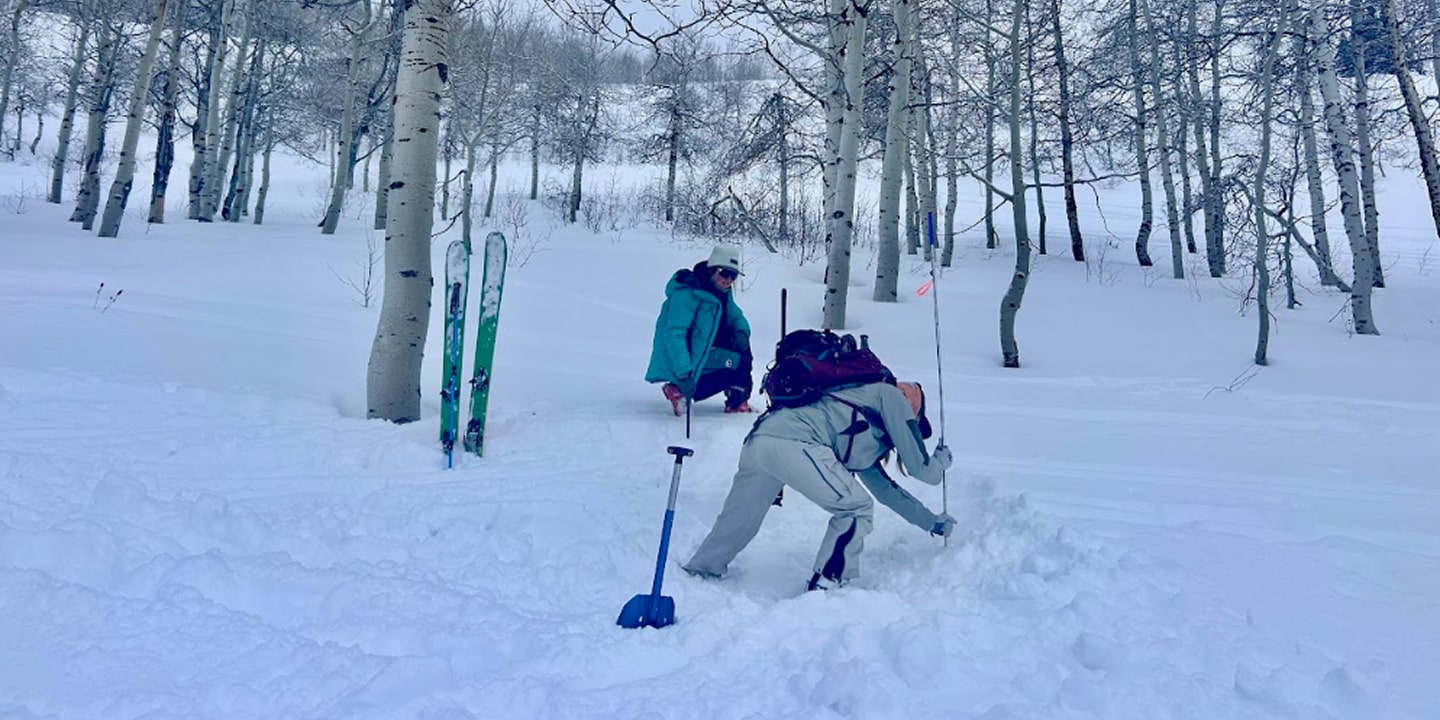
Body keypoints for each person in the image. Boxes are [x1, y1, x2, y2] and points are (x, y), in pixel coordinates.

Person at [683, 380, 955, 591]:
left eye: (911, 393)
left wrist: (930, 522)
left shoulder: (862, 421)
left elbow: (888, 492)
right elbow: (923, 470)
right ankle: (828, 581)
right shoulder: (888, 395)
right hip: (794, 441)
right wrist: (940, 463)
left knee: (741, 516)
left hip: (761, 436)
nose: (905, 390)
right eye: (908, 388)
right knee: (856, 509)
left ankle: (703, 568)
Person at [645, 244, 755, 414]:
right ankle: (680, 390)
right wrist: (683, 372)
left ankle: (737, 402)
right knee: (739, 364)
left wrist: (741, 332)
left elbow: (737, 317)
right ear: (712, 270)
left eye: (733, 276)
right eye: (724, 273)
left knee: (743, 354)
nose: (728, 280)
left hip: (706, 350)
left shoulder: (723, 293)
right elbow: (674, 334)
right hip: (687, 357)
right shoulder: (688, 294)